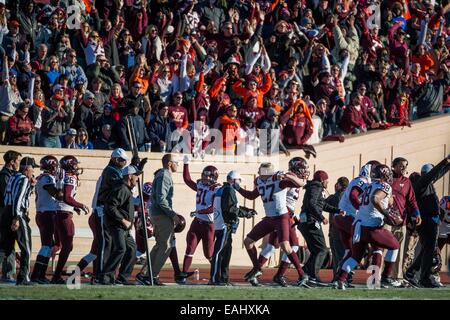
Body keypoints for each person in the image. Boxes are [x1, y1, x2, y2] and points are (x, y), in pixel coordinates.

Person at [236, 162, 308, 287]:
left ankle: (302, 274)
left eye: (261, 170)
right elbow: (252, 196)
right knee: (248, 241)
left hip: (281, 217)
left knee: (285, 245)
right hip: (270, 218)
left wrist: (287, 175)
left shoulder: (278, 180)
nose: (258, 171)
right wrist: (238, 188)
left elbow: (301, 183)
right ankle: (257, 268)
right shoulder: (259, 181)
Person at [335, 165, 401, 290]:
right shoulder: (384, 186)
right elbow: (375, 198)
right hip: (371, 227)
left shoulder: (368, 185)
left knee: (355, 257)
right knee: (395, 246)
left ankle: (341, 279)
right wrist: (386, 213)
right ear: (384, 174)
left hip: (357, 225)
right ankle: (386, 277)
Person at [405, 154, 450, 288]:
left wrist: (447, 165)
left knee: (427, 249)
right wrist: (445, 161)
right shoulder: (422, 183)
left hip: (429, 219)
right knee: (429, 250)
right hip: (427, 220)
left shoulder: (424, 183)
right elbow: (434, 174)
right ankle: (422, 277)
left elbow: (437, 174)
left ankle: (412, 272)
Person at [137, 154, 182, 286]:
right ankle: (152, 275)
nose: (177, 165)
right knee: (166, 246)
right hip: (161, 214)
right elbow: (162, 199)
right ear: (169, 163)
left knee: (159, 246)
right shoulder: (164, 175)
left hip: (157, 213)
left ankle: (145, 274)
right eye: (176, 162)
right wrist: (172, 214)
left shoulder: (162, 175)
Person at [86, 148, 130, 283]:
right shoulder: (111, 172)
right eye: (122, 160)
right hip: (101, 209)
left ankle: (105, 275)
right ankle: (100, 275)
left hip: (104, 210)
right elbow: (121, 184)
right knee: (105, 244)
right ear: (115, 159)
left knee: (108, 244)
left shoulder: (113, 170)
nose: (124, 163)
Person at [178, 155, 220, 284]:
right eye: (204, 175)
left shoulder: (217, 189)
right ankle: (183, 275)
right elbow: (187, 179)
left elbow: (212, 208)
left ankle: (217, 276)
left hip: (209, 225)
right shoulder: (201, 184)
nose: (205, 178)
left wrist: (199, 211)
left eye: (208, 176)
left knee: (209, 254)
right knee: (190, 248)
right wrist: (186, 164)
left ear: (214, 177)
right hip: (197, 222)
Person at [209, 170, 255, 285]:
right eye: (239, 180)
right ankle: (215, 279)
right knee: (219, 252)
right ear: (234, 180)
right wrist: (246, 214)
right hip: (224, 225)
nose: (239, 184)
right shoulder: (229, 190)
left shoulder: (223, 189)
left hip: (222, 225)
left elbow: (232, 206)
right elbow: (230, 209)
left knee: (226, 252)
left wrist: (246, 210)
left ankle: (224, 279)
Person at [298, 170, 341, 286]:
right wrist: (321, 217)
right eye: (326, 180)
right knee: (322, 250)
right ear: (322, 180)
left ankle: (305, 274)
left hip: (307, 221)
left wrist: (337, 210)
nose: (328, 182)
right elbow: (311, 204)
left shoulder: (314, 187)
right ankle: (313, 276)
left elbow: (322, 205)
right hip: (311, 222)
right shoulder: (317, 187)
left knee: (316, 250)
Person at [98, 165, 139, 285]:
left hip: (124, 228)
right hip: (117, 225)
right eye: (136, 175)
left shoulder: (126, 189)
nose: (137, 178)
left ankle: (123, 277)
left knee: (132, 249)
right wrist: (123, 220)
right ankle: (105, 276)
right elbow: (110, 206)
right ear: (130, 176)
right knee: (121, 248)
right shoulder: (121, 189)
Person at [0, 157, 38, 285]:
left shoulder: (13, 176)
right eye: (32, 169)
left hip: (6, 212)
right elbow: (19, 198)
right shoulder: (23, 179)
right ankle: (23, 278)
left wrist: (31, 187)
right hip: (17, 214)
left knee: (6, 248)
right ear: (27, 168)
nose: (33, 172)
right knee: (26, 247)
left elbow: (9, 195)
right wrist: (16, 218)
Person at [52, 155, 89, 284]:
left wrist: (75, 207)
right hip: (64, 214)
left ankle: (54, 274)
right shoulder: (70, 178)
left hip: (59, 212)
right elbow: (67, 197)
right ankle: (56, 276)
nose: (77, 167)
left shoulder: (62, 176)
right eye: (75, 164)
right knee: (67, 246)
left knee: (62, 245)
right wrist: (81, 205)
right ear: (70, 165)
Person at [30, 155, 62, 284]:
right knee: (46, 246)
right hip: (47, 214)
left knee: (49, 246)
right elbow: (57, 195)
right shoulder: (47, 178)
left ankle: (40, 274)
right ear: (51, 166)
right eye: (55, 166)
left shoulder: (42, 177)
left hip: (44, 213)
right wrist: (62, 184)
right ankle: (37, 274)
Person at [388, 157, 421, 281]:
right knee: (384, 249)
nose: (404, 168)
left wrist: (417, 213)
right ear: (394, 166)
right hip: (386, 220)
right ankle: (380, 276)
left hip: (401, 220)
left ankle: (397, 277)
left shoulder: (407, 182)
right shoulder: (387, 179)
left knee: (398, 250)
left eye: (405, 166)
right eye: (401, 165)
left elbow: (412, 200)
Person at [0, 150, 22, 283]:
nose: (19, 163)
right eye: (18, 161)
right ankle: (7, 274)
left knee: (8, 244)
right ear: (12, 162)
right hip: (4, 214)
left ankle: (8, 273)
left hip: (6, 213)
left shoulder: (10, 174)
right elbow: (7, 196)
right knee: (7, 244)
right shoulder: (4, 175)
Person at [326, 176, 349, 281]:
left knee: (337, 255)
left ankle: (338, 277)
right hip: (347, 229)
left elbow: (322, 204)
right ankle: (345, 276)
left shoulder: (335, 196)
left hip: (336, 229)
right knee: (345, 253)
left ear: (338, 185)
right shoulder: (349, 195)